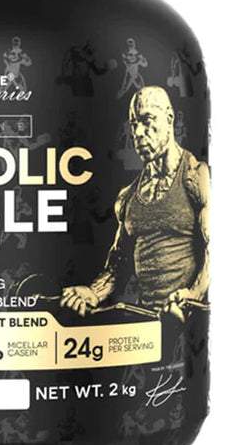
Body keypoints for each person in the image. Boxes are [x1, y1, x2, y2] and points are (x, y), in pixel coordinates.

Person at [61, 86, 209, 320]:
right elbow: (117, 263)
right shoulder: (128, 197)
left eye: (147, 120)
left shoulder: (196, 176)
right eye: (134, 124)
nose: (138, 132)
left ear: (170, 118)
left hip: (189, 316)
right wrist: (93, 292)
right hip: (147, 320)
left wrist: (193, 296)